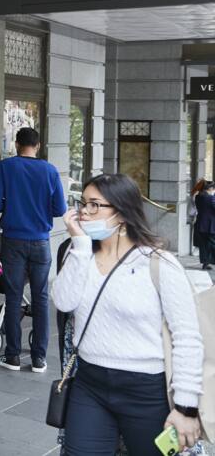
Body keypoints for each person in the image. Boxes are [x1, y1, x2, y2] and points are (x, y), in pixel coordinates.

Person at [51, 173, 203, 455]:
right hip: (90, 383)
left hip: (146, 391)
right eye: (82, 203)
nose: (84, 212)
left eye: (95, 205)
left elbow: (187, 337)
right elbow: (63, 301)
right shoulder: (79, 253)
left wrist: (185, 406)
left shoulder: (158, 263)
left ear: (121, 212)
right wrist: (81, 245)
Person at [0, 127, 66, 373]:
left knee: (13, 298)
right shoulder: (50, 170)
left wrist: (13, 205)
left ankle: (12, 356)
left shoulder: (6, 167)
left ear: (16, 144)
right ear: (38, 145)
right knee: (41, 299)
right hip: (41, 242)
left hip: (13, 241)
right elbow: (60, 209)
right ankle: (39, 359)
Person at [194, 181, 215, 270]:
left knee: (203, 245)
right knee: (212, 243)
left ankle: (205, 263)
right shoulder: (211, 198)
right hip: (210, 225)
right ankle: (208, 262)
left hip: (200, 224)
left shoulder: (198, 197)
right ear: (210, 189)